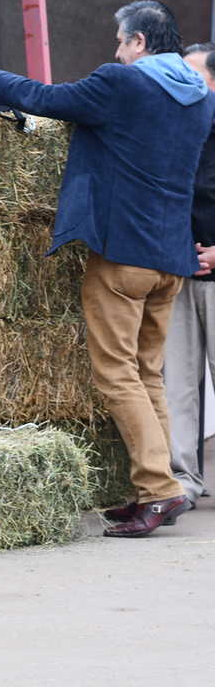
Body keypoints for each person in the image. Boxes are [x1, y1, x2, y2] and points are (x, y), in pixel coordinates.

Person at [0, 0, 215, 538]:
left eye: (121, 41)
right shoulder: (200, 101)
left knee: (116, 374)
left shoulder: (125, 83)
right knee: (147, 376)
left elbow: (50, 99)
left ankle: (160, 491)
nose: (116, 51)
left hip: (123, 256)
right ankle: (160, 487)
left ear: (139, 42)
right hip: (171, 258)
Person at [163, 42, 215, 510]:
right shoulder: (175, 133)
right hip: (177, 277)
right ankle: (182, 481)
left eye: (193, 77)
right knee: (175, 383)